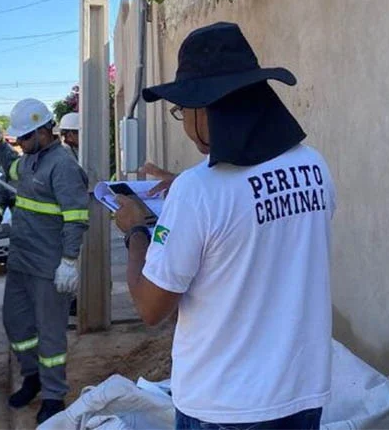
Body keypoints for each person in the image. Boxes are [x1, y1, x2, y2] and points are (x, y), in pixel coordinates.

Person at [113, 22, 336, 430]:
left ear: (207, 108)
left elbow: (151, 307)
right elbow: (256, 213)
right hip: (301, 395)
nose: (183, 122)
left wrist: (135, 231)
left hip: (224, 407)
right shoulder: (314, 167)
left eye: (183, 110)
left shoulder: (199, 193)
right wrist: (182, 185)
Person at [0, 99, 90, 424]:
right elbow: (9, 166)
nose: (20, 144)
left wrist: (69, 260)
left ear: (42, 131)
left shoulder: (62, 165)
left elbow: (76, 217)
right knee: (17, 324)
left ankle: (54, 396)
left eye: (24, 138)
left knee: (51, 335)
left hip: (50, 267)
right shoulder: (29, 160)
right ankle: (32, 376)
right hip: (22, 262)